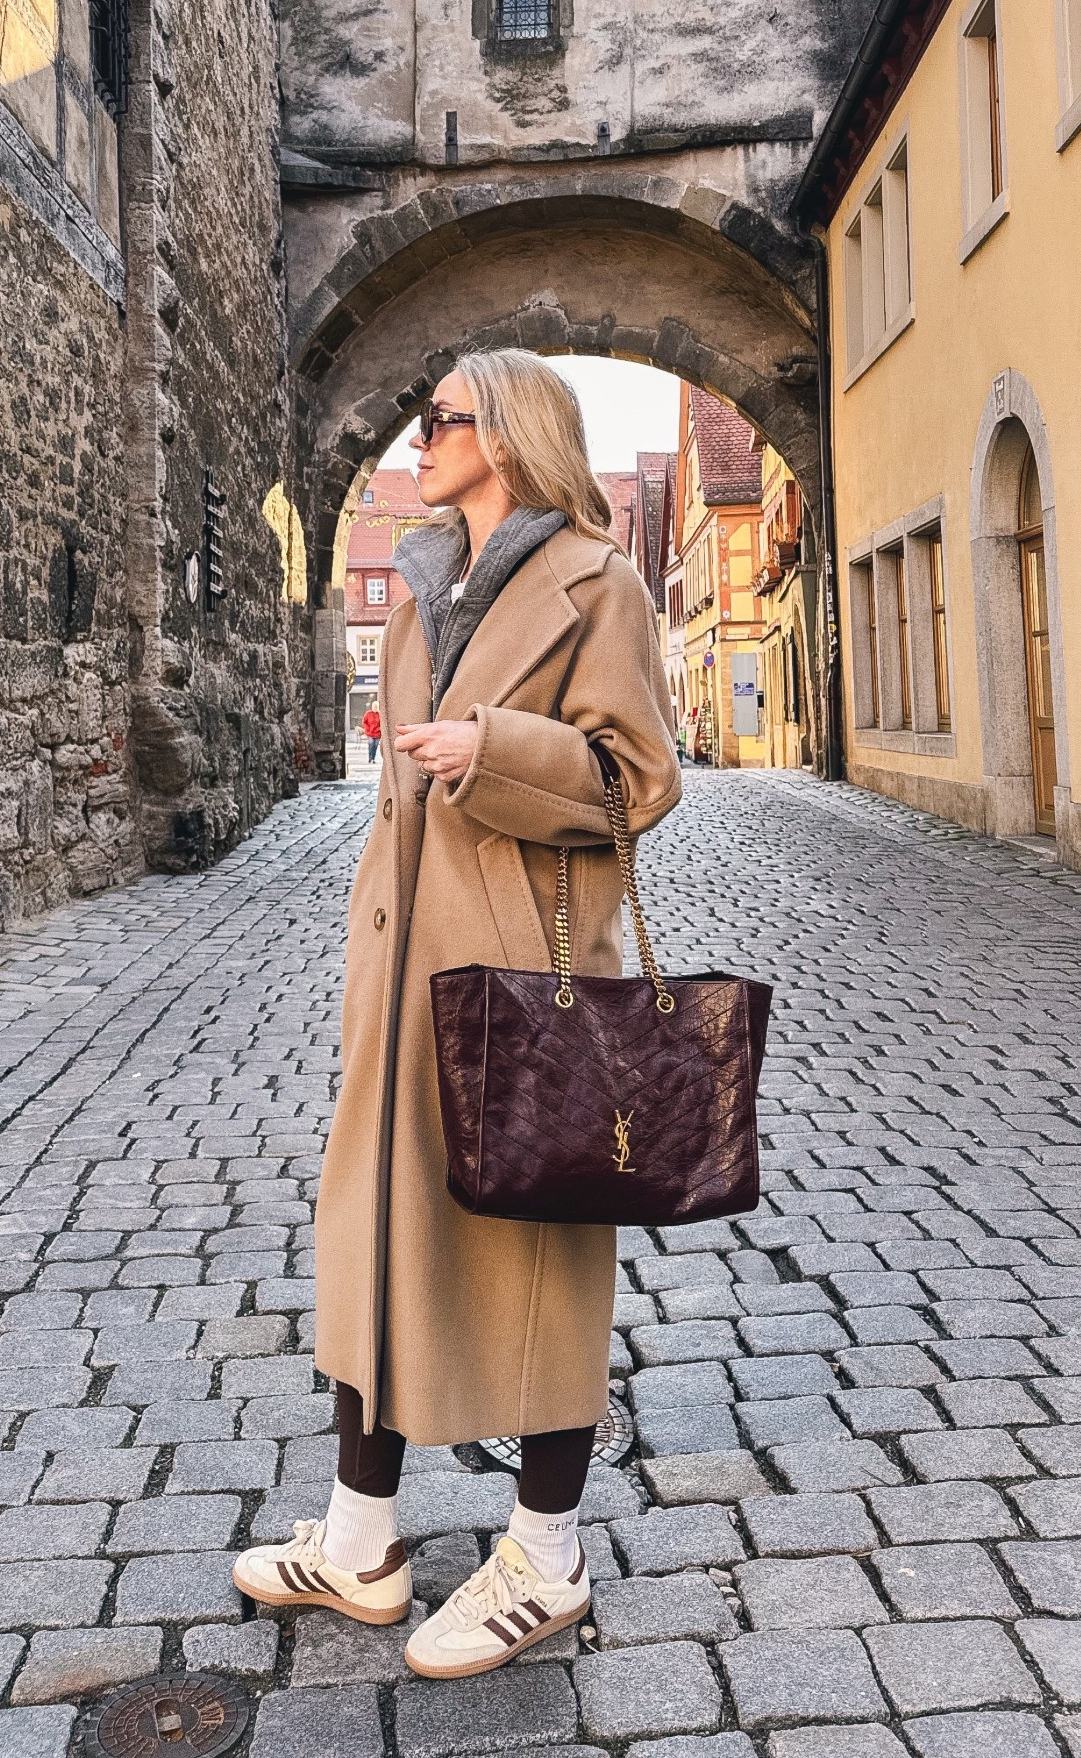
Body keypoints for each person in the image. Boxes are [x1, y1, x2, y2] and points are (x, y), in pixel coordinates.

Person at [234, 348, 681, 1678]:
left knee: (536, 1261)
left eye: (442, 421)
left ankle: (546, 1556)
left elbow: (639, 780)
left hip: (527, 971)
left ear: (516, 433)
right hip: (401, 970)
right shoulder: (423, 590)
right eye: (423, 420)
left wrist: (499, 753)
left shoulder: (599, 584)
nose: (419, 439)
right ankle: (363, 1540)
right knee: (373, 1234)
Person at [361, 697, 382, 765]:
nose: (375, 707)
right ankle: (370, 758)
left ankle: (373, 758)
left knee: (375, 746)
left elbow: (382, 723)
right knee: (371, 744)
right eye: (374, 706)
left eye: (376, 706)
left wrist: (379, 728)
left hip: (377, 733)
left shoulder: (380, 714)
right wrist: (368, 728)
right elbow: (364, 722)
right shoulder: (368, 713)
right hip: (370, 733)